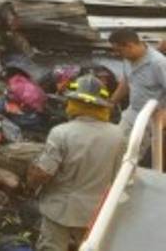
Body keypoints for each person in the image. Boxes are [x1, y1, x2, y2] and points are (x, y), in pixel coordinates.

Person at [26, 74, 124, 251]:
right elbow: (120, 178)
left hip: (60, 207)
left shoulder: (61, 133)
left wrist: (30, 184)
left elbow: (43, 173)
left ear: (73, 103)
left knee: (51, 247)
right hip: (96, 211)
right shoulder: (118, 135)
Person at [109, 29, 166, 134]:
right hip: (133, 111)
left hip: (153, 116)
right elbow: (127, 81)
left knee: (139, 148)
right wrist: (112, 102)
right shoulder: (128, 59)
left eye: (119, 51)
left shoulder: (158, 63)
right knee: (118, 141)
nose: (118, 54)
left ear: (129, 46)